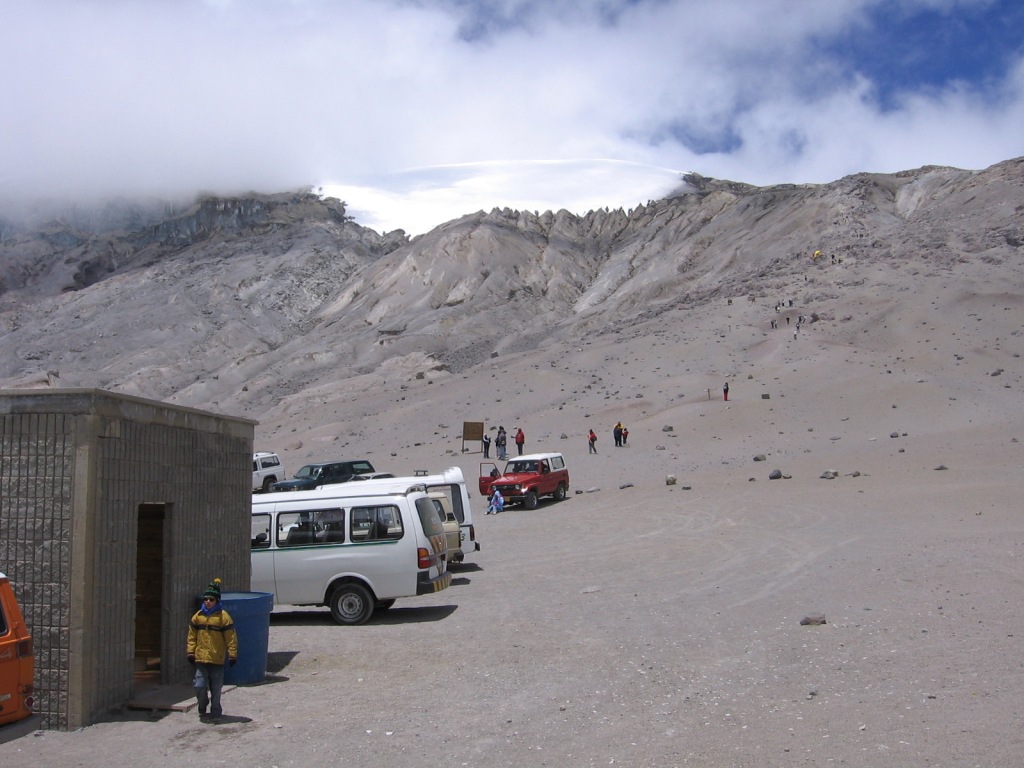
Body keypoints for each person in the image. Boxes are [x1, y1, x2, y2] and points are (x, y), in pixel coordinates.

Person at [187, 578, 238, 723]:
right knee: (199, 685)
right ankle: (202, 705)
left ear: (217, 601)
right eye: (206, 599)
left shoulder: (223, 618)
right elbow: (191, 636)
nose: (208, 602)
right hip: (201, 659)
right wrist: (190, 652)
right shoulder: (198, 617)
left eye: (211, 599)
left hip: (217, 659)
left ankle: (216, 711)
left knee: (216, 688)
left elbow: (231, 637)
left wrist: (233, 654)